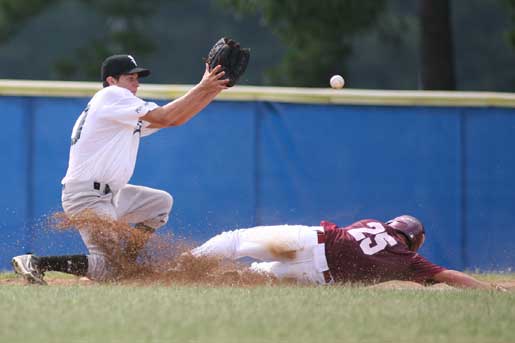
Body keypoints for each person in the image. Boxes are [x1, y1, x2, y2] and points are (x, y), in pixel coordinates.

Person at [12, 54, 229, 285]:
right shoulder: (112, 96)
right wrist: (202, 86)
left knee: (160, 204)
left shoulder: (119, 110)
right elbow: (167, 117)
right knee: (108, 270)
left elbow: (176, 118)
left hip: (109, 195)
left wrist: (213, 89)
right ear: (112, 81)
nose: (136, 83)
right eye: (130, 77)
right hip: (88, 197)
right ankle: (36, 263)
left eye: (138, 77)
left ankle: (127, 263)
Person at [191, 215, 505, 290]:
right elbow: (447, 275)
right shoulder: (409, 260)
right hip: (318, 275)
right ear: (416, 240)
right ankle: (214, 277)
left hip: (311, 240)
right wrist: (488, 290)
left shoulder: (371, 222)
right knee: (253, 278)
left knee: (236, 241)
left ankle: (184, 264)